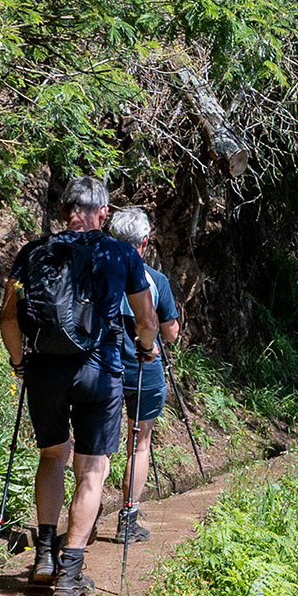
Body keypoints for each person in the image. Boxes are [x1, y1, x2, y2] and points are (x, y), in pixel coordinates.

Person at [0, 178, 159, 596]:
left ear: (64, 210)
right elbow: (146, 320)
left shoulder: (32, 252)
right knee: (92, 470)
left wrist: (20, 363)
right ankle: (70, 572)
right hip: (100, 371)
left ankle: (44, 557)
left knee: (52, 456)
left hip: (45, 372)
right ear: (102, 213)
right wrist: (146, 350)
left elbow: (8, 318)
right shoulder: (122, 252)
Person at [106, 205, 181, 543]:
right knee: (139, 443)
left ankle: (88, 518)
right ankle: (128, 518)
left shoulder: (98, 274)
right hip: (143, 368)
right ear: (145, 241)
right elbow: (170, 333)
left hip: (102, 366)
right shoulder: (156, 280)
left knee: (98, 447)